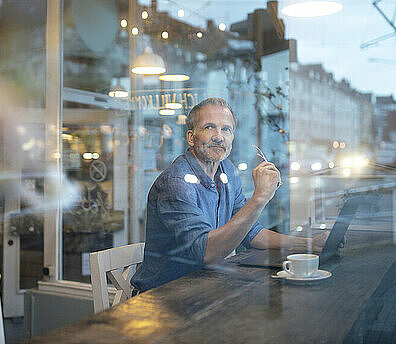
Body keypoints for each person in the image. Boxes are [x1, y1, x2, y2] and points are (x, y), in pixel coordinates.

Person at [131, 97, 328, 292]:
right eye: (209, 127)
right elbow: (206, 253)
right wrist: (259, 198)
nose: (219, 136)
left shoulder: (227, 170)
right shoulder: (176, 183)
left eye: (226, 129)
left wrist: (309, 245)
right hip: (162, 297)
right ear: (191, 137)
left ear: (232, 138)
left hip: (204, 287)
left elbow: (250, 232)